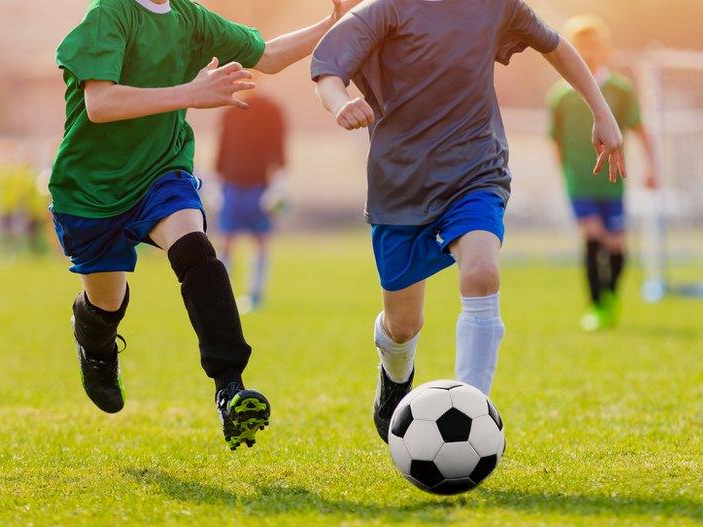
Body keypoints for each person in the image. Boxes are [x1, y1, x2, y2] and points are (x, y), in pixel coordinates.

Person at [311, 0, 626, 443]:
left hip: (476, 170)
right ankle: (394, 374)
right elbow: (327, 68)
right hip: (400, 183)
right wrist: (339, 102)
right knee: (402, 325)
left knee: (481, 272)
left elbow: (556, 46)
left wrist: (602, 112)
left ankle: (471, 415)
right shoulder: (383, 9)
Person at [51, 0, 359, 450]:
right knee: (105, 303)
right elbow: (100, 103)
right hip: (90, 190)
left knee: (194, 250)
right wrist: (190, 93)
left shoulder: (189, 16)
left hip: (160, 171)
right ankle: (93, 337)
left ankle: (230, 387)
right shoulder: (111, 13)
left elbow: (267, 56)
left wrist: (333, 22)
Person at [548, 15, 658, 331]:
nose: (588, 51)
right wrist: (565, 177)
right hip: (579, 182)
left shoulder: (620, 90)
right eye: (580, 45)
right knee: (593, 239)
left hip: (612, 183)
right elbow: (556, 142)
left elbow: (641, 131)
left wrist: (651, 168)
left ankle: (609, 298)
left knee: (617, 250)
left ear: (605, 49)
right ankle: (596, 307)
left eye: (593, 45)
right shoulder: (560, 96)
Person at [215, 86, 287, 312]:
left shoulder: (271, 109)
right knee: (226, 241)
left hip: (260, 187)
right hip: (231, 186)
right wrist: (216, 185)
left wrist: (278, 186)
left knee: (261, 241)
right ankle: (220, 296)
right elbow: (222, 150)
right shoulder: (229, 111)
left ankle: (255, 294)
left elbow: (279, 150)